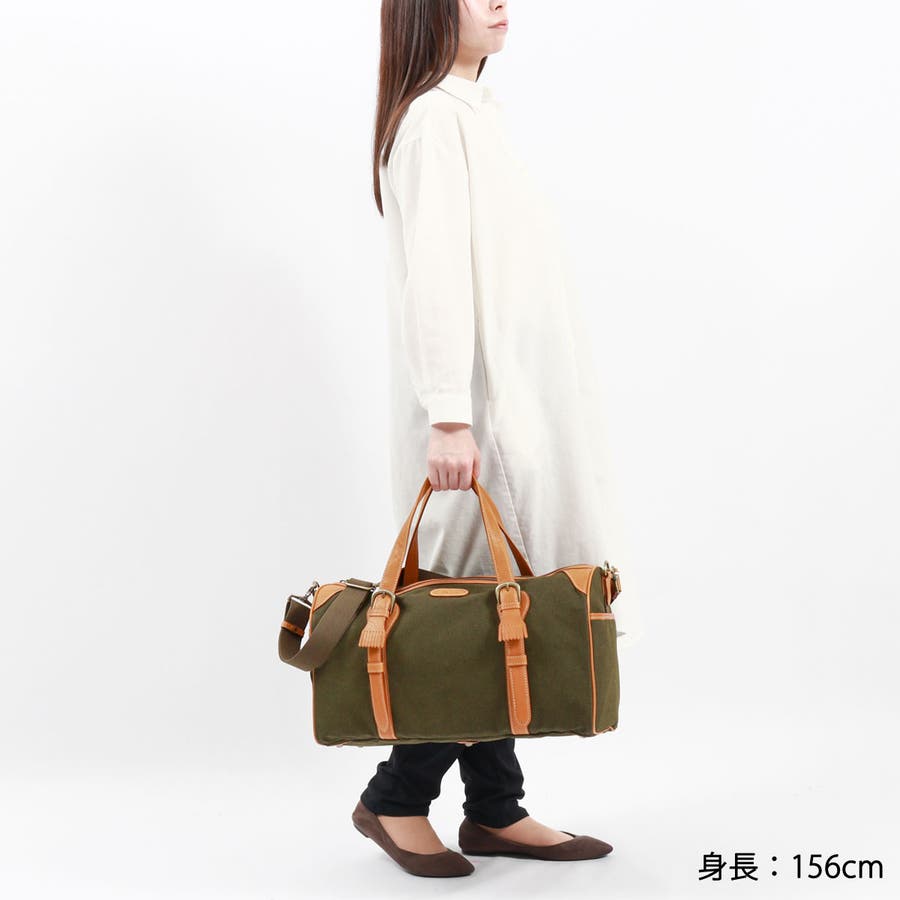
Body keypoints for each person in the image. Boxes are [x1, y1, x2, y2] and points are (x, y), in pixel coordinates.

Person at [351, 0, 644, 878]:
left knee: (499, 603)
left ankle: (494, 809)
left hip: (514, 406)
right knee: (469, 609)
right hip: (478, 416)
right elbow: (435, 277)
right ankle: (395, 797)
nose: (499, 2)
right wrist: (449, 413)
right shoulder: (434, 121)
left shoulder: (477, 113)